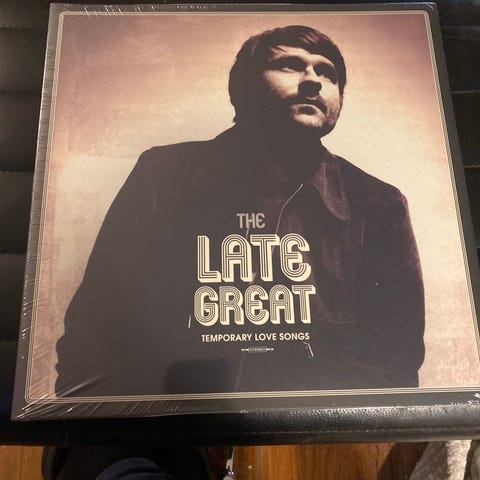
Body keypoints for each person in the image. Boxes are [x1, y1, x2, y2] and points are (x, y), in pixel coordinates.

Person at [55, 25, 424, 399]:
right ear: (243, 88)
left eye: (327, 73)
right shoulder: (163, 175)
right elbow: (96, 330)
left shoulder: (378, 203)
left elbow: (393, 364)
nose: (314, 81)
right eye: (290, 65)